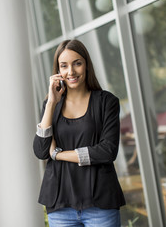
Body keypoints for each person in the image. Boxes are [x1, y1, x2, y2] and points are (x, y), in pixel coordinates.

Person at [33, 39, 125, 227]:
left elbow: (108, 151)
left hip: (100, 203)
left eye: (77, 63)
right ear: (58, 71)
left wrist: (58, 155)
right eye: (64, 66)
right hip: (60, 205)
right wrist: (51, 102)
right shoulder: (50, 106)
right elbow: (41, 151)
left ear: (86, 65)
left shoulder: (106, 102)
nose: (71, 72)